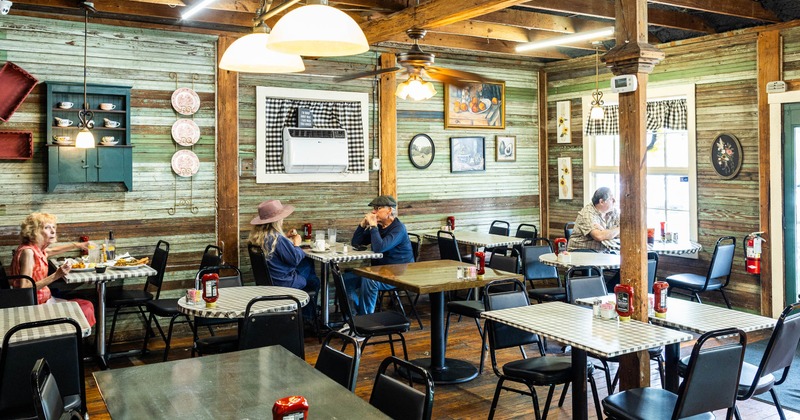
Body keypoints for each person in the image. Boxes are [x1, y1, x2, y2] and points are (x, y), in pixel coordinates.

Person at [10, 213, 96, 326]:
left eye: (53, 227)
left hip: (44, 301)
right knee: (85, 307)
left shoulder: (36, 249)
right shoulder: (28, 252)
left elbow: (52, 251)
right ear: (34, 232)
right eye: (47, 228)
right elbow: (24, 289)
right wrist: (57, 275)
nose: (53, 231)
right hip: (35, 307)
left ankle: (73, 339)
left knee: (85, 304)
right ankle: (70, 339)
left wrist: (78, 245)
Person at [247, 199, 320, 319]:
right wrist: (296, 243)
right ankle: (307, 319)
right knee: (313, 278)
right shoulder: (278, 240)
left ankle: (305, 317)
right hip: (283, 284)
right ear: (277, 221)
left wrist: (286, 237)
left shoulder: (258, 239)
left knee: (308, 267)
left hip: (268, 282)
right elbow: (295, 259)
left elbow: (275, 249)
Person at [346, 195, 414, 315]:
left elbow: (379, 248)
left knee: (369, 279)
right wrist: (362, 225)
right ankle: (355, 316)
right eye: (374, 208)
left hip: (398, 274)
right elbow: (356, 243)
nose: (373, 212)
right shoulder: (379, 227)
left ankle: (366, 319)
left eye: (377, 208)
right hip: (379, 271)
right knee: (345, 280)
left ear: (389, 210)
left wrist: (372, 226)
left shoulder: (398, 228)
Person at [567, 187, 620, 252]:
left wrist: (604, 231)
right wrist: (619, 229)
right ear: (602, 202)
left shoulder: (612, 212)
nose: (614, 200)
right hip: (581, 250)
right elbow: (599, 236)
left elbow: (625, 232)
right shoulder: (587, 213)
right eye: (611, 198)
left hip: (603, 250)